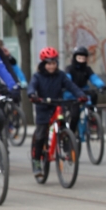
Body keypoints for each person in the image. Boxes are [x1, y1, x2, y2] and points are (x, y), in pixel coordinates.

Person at [27, 47, 87, 178]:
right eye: (48, 63)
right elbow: (32, 86)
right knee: (41, 134)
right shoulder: (37, 76)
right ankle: (37, 161)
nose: (51, 66)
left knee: (63, 125)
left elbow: (71, 86)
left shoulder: (61, 75)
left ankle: (65, 146)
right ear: (43, 64)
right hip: (43, 107)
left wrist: (80, 95)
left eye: (53, 63)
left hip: (57, 105)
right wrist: (32, 95)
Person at [65, 46, 106, 135]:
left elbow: (94, 78)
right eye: (79, 58)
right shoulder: (69, 68)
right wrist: (68, 87)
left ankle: (92, 117)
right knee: (75, 114)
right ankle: (71, 134)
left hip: (84, 91)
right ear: (74, 58)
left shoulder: (87, 69)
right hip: (72, 94)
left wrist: (101, 86)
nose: (81, 60)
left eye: (83, 58)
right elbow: (67, 79)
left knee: (94, 95)